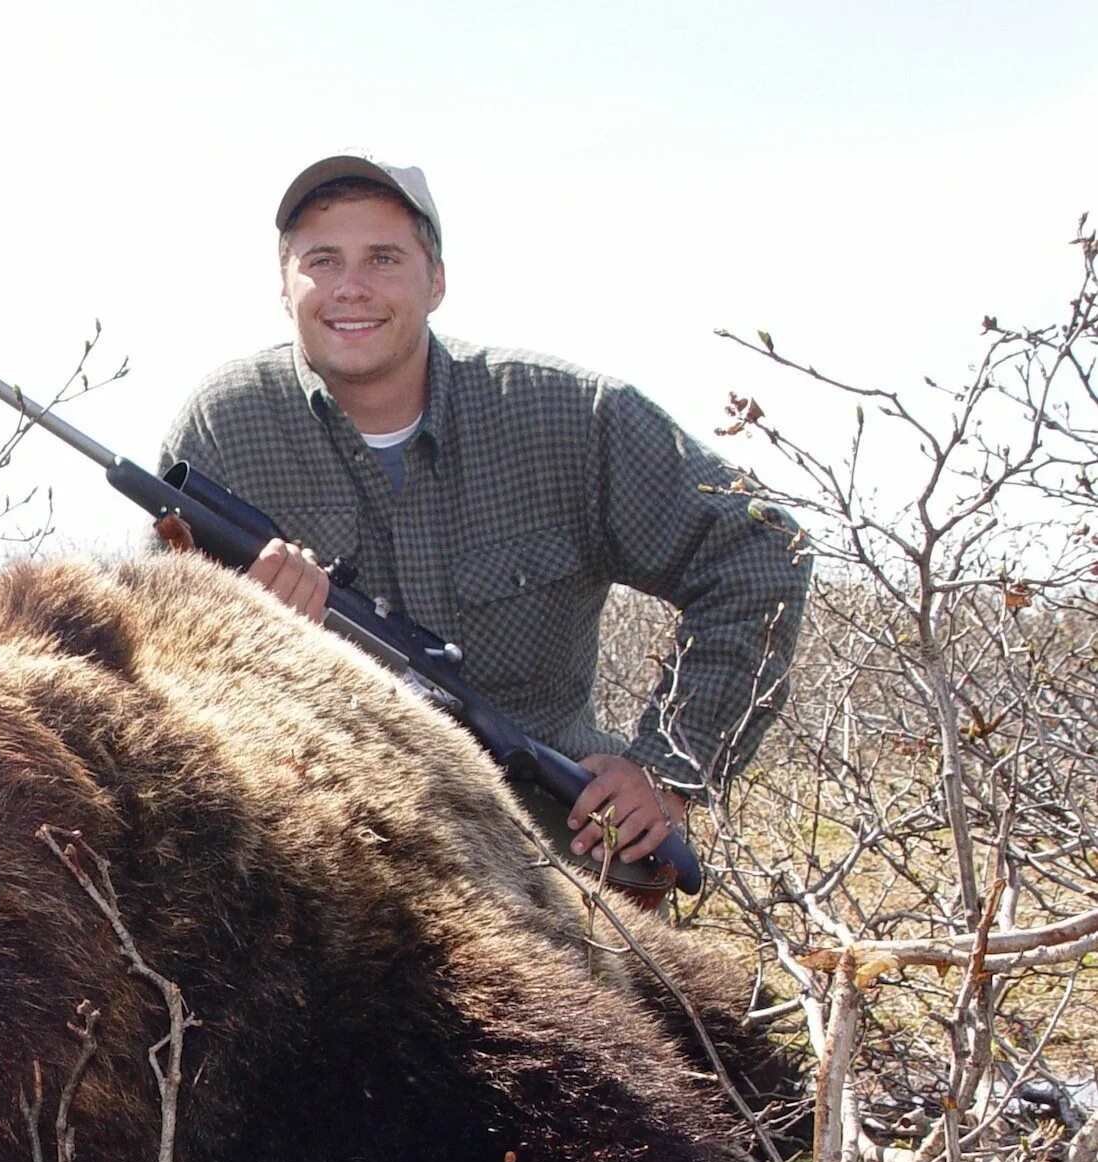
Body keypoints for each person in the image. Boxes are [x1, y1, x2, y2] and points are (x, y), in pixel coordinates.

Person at [161, 153, 806, 871]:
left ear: (436, 281)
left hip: (545, 845)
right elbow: (160, 661)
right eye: (322, 260)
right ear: (285, 288)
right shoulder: (224, 425)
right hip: (319, 844)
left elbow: (758, 554)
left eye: (383, 258)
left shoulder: (573, 416)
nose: (350, 288)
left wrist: (666, 769)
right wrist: (241, 623)